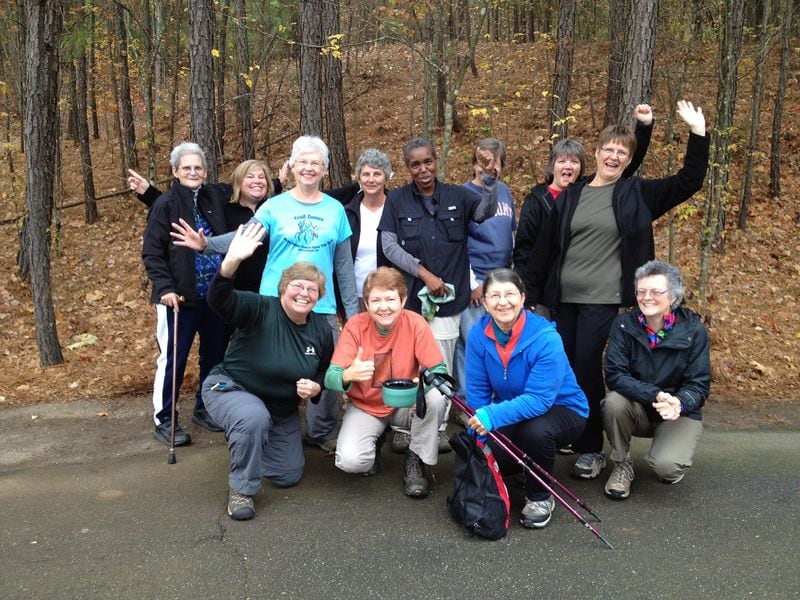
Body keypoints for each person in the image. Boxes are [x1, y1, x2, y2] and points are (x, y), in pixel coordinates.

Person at [526, 100, 709, 481]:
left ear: (629, 160)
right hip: (563, 300)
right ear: (595, 153)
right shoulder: (572, 195)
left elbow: (688, 181)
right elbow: (544, 247)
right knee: (565, 371)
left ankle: (592, 450)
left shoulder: (634, 195)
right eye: (607, 149)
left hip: (602, 300)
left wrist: (697, 133)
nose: (613, 155)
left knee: (586, 368)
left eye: (621, 152)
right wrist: (531, 295)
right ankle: (576, 436)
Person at [172, 136, 359, 455]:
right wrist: (208, 245)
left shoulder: (335, 211)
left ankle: (321, 431)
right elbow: (243, 236)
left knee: (326, 370)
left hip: (321, 304)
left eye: (316, 163)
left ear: (325, 169)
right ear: (294, 166)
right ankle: (258, 424)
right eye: (303, 162)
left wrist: (353, 316)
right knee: (264, 366)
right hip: (274, 302)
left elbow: (344, 267)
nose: (309, 168)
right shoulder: (275, 206)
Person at [202, 225, 334, 520]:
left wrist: (316, 387)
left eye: (312, 289)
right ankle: (241, 489)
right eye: (297, 286)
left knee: (287, 474)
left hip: (280, 411)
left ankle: (246, 440)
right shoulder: (260, 307)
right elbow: (219, 302)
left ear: (319, 297)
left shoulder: (321, 331)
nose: (304, 293)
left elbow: (325, 370)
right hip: (231, 389)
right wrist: (231, 263)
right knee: (251, 417)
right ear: (282, 288)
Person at [378, 138, 498, 453]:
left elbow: (484, 213)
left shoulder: (460, 195)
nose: (423, 170)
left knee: (440, 367)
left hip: (448, 305)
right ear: (408, 168)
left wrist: (489, 180)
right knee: (407, 365)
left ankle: (439, 427)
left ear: (436, 160)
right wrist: (425, 275)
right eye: (415, 164)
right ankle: (403, 426)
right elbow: (389, 246)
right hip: (413, 302)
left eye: (428, 162)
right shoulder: (397, 201)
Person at [464, 268, 588, 529]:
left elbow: (540, 400)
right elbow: (477, 389)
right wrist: (479, 422)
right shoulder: (478, 334)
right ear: (485, 302)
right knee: (487, 447)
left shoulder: (545, 338)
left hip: (563, 409)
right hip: (515, 409)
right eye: (494, 295)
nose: (502, 301)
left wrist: (492, 416)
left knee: (535, 432)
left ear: (522, 298)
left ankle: (541, 496)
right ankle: (525, 467)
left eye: (509, 294)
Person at [325, 267, 449, 497]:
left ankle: (416, 459)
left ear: (402, 300)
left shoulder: (415, 323)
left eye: (390, 299)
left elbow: (439, 371)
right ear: (367, 304)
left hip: (405, 403)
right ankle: (375, 441)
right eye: (376, 300)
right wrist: (347, 375)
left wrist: (424, 382)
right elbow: (330, 377)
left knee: (436, 396)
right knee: (351, 462)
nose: (383, 307)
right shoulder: (355, 326)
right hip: (366, 407)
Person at [514, 105, 654, 303]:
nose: (568, 166)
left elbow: (626, 162)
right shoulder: (537, 200)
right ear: (553, 165)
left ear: (581, 167)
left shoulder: (590, 191)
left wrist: (644, 127)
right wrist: (526, 291)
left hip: (580, 290)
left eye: (574, 162)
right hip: (545, 290)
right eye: (562, 161)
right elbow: (524, 249)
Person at [141, 142, 229, 446]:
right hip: (179, 300)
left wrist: (279, 180)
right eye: (187, 167)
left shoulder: (214, 196)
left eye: (198, 167)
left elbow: (250, 189)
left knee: (214, 356)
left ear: (205, 171)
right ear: (176, 171)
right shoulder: (165, 204)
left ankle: (206, 408)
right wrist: (165, 288)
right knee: (174, 360)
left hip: (214, 297)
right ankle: (164, 418)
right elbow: (152, 253)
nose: (193, 172)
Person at [601, 260, 709, 500]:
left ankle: (668, 454)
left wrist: (679, 403)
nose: (646, 297)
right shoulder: (622, 325)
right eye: (641, 291)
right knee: (613, 402)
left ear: (673, 296)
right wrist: (654, 394)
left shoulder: (694, 331)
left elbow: (699, 385)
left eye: (655, 291)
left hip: (678, 412)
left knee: (667, 468)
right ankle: (622, 464)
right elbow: (615, 375)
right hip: (638, 406)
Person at [452, 138, 516, 424]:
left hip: (502, 282)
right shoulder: (462, 195)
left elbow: (509, 237)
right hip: (476, 281)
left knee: (500, 345)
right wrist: (470, 283)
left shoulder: (504, 192)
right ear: (474, 162)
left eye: (494, 162)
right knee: (471, 344)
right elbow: (458, 244)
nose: (488, 167)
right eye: (482, 161)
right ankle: (467, 405)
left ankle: (495, 405)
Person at [326, 148, 394, 312]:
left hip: (389, 296)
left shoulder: (398, 210)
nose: (371, 180)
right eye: (366, 174)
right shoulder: (346, 213)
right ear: (358, 178)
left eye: (377, 174)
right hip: (355, 297)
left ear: (386, 177)